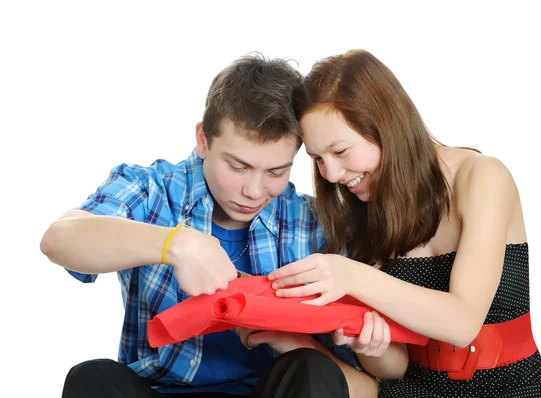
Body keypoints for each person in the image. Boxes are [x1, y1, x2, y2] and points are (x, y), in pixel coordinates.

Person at [40, 53, 377, 398]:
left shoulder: (312, 224)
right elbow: (59, 239)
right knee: (93, 379)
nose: (255, 191)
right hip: (158, 390)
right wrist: (176, 245)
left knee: (312, 369)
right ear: (203, 140)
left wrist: (292, 340)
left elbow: (363, 387)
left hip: (270, 391)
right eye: (238, 166)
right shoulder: (153, 188)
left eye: (276, 172)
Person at [269, 49, 541, 397]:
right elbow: (395, 366)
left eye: (340, 152)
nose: (331, 174)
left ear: (386, 124)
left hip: (511, 387)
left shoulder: (481, 177)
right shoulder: (364, 210)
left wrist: (352, 276)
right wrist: (367, 342)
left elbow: (463, 322)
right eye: (318, 159)